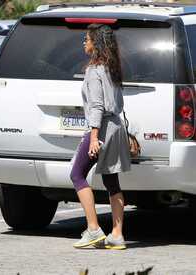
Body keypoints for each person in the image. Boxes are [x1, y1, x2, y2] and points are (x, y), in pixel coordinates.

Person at [70, 24, 131, 249]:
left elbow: (96, 106)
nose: (84, 42)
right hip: (116, 127)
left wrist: (94, 137)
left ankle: (94, 229)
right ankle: (117, 236)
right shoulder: (112, 68)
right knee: (111, 181)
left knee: (77, 174)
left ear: (97, 43)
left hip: (102, 128)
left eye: (86, 39)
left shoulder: (94, 69)